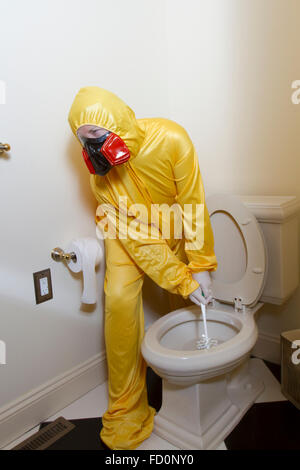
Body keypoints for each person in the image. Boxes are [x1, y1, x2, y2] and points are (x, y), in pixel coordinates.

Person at [68, 86, 218, 450]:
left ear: (118, 122)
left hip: (174, 224)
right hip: (126, 232)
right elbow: (139, 240)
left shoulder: (172, 138)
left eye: (97, 136)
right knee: (119, 300)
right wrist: (181, 278)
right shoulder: (99, 179)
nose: (92, 149)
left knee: (185, 301)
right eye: (83, 140)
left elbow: (193, 203)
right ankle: (127, 409)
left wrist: (199, 266)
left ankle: (193, 377)